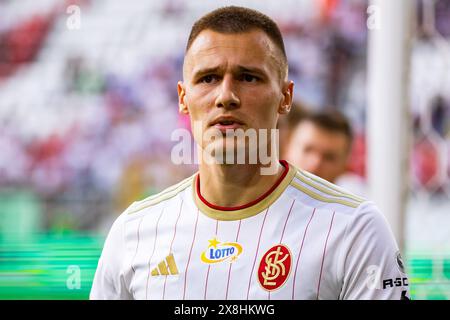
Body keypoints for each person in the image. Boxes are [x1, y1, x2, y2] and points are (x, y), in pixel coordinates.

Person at [90, 6, 409, 300]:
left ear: (286, 97)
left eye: (248, 77)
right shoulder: (132, 233)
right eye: (208, 78)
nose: (226, 96)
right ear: (183, 98)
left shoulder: (354, 228)